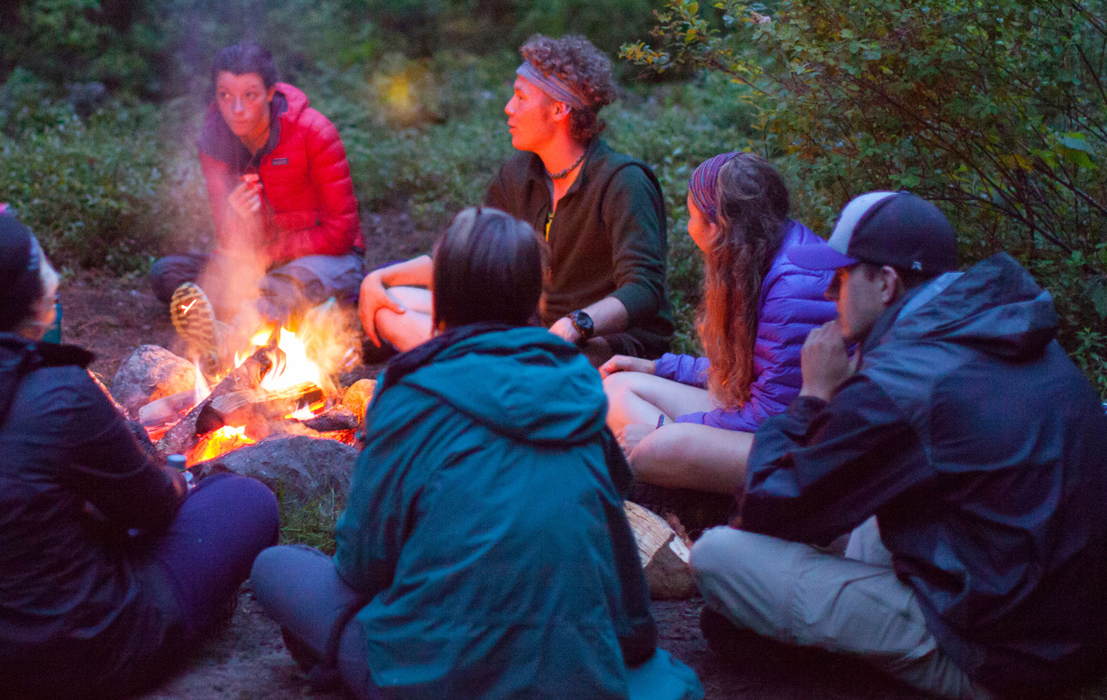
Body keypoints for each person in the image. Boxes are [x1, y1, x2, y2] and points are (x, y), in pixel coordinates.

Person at [689, 192, 1107, 699]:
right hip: (1075, 628)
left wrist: (812, 397)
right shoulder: (996, 327)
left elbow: (763, 506)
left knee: (717, 556)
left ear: (886, 283)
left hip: (1008, 659)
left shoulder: (906, 379)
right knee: (872, 506)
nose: (827, 293)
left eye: (842, 276)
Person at [249, 208, 703, 700]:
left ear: (441, 296)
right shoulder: (578, 394)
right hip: (570, 673)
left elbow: (362, 565)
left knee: (278, 568)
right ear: (535, 297)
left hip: (435, 674)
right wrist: (631, 645)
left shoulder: (409, 395)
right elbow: (614, 543)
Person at [0, 209, 281, 697]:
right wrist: (179, 481)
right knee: (246, 500)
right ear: (26, 299)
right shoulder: (59, 392)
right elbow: (151, 511)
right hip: (74, 654)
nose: (53, 276)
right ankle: (192, 613)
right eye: (39, 265)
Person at [360, 35, 670, 366]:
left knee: (545, 359)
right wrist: (379, 278)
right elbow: (472, 261)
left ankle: (473, 368)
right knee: (391, 304)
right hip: (532, 329)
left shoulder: (624, 181)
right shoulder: (518, 175)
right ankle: (483, 369)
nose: (509, 107)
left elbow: (643, 289)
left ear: (559, 109)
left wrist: (576, 324)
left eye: (521, 97)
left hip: (601, 344)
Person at [598, 152, 835, 496]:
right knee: (618, 389)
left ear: (717, 226)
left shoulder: (792, 289)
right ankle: (669, 456)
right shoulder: (762, 254)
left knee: (656, 446)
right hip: (766, 423)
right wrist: (657, 366)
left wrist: (671, 430)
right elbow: (747, 372)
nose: (688, 227)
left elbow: (771, 419)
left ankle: (677, 476)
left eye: (692, 215)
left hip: (794, 450)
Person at [147, 42, 363, 325]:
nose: (237, 109)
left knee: (274, 290)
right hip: (260, 263)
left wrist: (269, 254)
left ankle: (246, 320)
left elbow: (342, 233)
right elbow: (230, 240)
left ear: (270, 93)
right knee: (168, 274)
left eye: (250, 95)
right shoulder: (215, 145)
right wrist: (237, 220)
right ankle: (269, 310)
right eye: (225, 96)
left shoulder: (314, 132)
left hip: (329, 257)